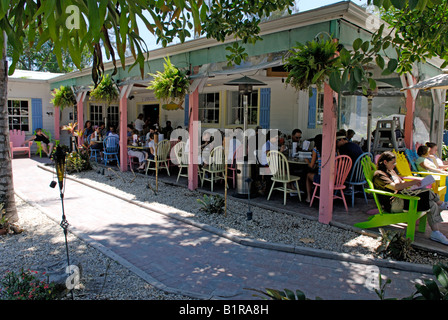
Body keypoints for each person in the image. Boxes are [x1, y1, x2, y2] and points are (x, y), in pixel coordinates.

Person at [374, 151, 448, 245]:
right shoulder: (380, 175)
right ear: (385, 162)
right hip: (394, 203)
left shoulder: (391, 172)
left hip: (402, 197)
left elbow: (401, 184)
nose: (395, 165)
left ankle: (436, 232)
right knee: (427, 193)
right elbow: (396, 187)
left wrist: (412, 188)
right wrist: (413, 182)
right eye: (393, 163)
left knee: (431, 203)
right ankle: (442, 204)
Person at [305, 134, 322, 203]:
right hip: (336, 179)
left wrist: (307, 161)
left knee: (308, 175)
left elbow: (311, 166)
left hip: (322, 179)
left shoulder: (316, 149)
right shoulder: (332, 149)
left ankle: (308, 197)